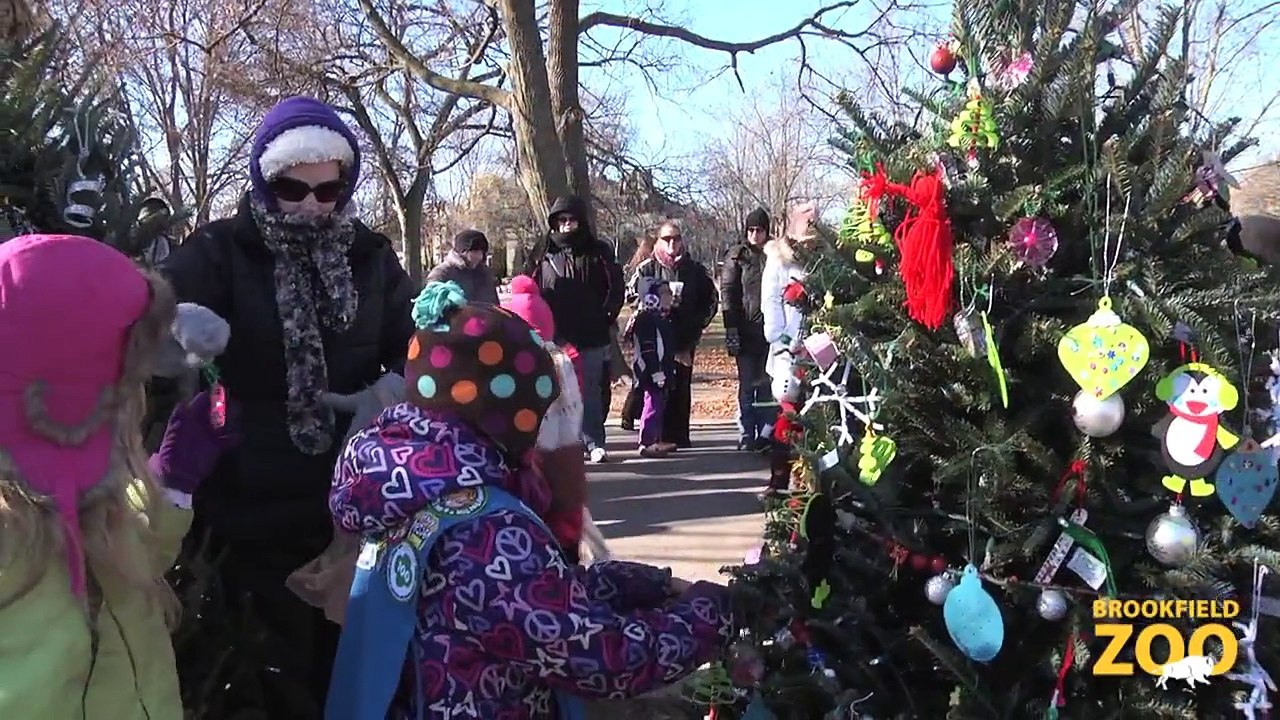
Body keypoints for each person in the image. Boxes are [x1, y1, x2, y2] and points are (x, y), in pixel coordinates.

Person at [325, 282, 731, 719]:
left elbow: (536, 591)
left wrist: (648, 584)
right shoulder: (484, 531)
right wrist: (714, 614)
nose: (540, 431)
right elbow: (601, 657)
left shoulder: (411, 481)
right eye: (535, 411)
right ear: (499, 409)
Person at [159, 95, 416, 717]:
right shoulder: (219, 250)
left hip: (351, 491)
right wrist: (178, 326)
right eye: (291, 188)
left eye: (327, 192)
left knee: (346, 661)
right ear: (262, 179)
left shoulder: (370, 255)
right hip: (250, 493)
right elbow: (152, 318)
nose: (309, 204)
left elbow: (415, 341)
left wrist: (392, 386)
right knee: (270, 668)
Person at [0, 234, 238, 718]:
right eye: (125, 383)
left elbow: (120, 564)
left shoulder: (72, 496)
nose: (138, 403)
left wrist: (172, 480)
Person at [524, 195, 624, 464]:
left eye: (572, 220)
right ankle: (559, 444)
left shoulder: (598, 251)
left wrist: (605, 315)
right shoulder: (542, 252)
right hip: (553, 333)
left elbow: (615, 287)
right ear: (554, 223)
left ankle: (593, 442)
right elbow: (527, 288)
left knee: (590, 390)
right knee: (555, 390)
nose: (567, 225)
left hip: (590, 332)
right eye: (562, 220)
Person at [502, 275, 590, 563]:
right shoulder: (564, 358)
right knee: (567, 510)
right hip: (567, 449)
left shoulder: (518, 362)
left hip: (533, 452)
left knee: (539, 512)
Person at [623, 220, 718, 449]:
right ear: (658, 241)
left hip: (683, 336)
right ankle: (650, 432)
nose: (672, 243)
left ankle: (677, 437)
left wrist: (697, 325)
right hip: (653, 337)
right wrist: (652, 304)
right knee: (653, 383)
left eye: (676, 238)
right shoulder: (647, 267)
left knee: (680, 386)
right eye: (666, 239)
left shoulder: (694, 270)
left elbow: (711, 300)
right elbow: (630, 296)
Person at [761, 202, 814, 499]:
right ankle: (779, 477)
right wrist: (781, 340)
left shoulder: (820, 258)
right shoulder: (779, 260)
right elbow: (771, 302)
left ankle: (808, 480)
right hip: (787, 349)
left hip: (817, 347)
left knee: (815, 415)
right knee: (787, 411)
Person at [722, 207, 774, 452]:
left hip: (769, 330)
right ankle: (746, 434)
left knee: (766, 386)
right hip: (744, 329)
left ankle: (766, 433)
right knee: (747, 385)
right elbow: (729, 293)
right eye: (751, 229)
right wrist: (731, 327)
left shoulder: (774, 254)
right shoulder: (737, 256)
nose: (755, 234)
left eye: (760, 230)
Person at [628, 278, 677, 458]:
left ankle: (656, 438)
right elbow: (649, 347)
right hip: (650, 370)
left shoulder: (661, 318)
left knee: (659, 403)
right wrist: (656, 370)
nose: (669, 297)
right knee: (652, 404)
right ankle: (647, 441)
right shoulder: (646, 319)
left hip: (661, 369)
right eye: (665, 294)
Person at [426, 228, 499, 304]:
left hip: (484, 314)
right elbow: (430, 305)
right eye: (475, 252)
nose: (479, 256)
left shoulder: (484, 273)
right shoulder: (442, 273)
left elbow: (494, 304)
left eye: (482, 252)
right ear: (462, 252)